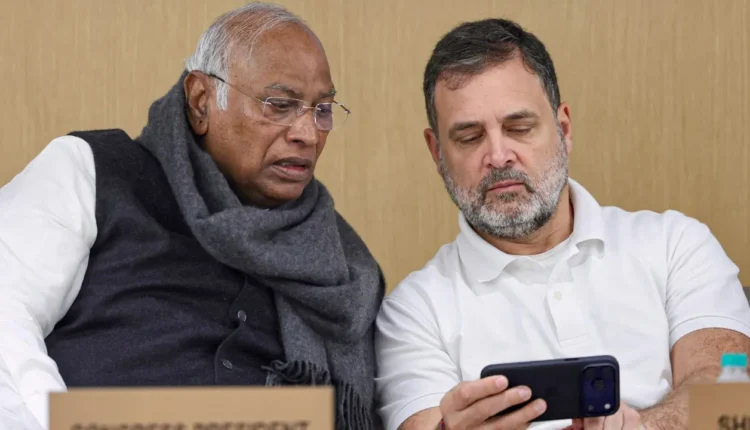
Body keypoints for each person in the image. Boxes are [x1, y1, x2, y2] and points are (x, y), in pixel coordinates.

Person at [0, 3, 384, 429]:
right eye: (279, 105)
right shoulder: (90, 172)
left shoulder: (342, 266)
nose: (308, 134)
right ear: (201, 101)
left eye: (322, 110)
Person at [374, 17, 750, 430]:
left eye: (519, 128)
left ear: (563, 128)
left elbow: (732, 397)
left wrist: (641, 427)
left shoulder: (676, 244)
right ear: (437, 153)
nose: (498, 156)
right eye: (469, 137)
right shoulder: (414, 311)